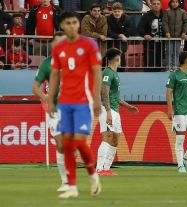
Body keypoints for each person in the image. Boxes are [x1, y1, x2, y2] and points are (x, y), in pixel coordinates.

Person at [47, 11, 102, 199]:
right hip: (64, 102)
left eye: (74, 22)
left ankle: (92, 174)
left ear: (78, 25)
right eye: (67, 23)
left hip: (83, 101)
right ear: (62, 26)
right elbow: (54, 75)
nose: (71, 26)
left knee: (78, 141)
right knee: (67, 144)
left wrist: (96, 99)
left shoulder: (89, 45)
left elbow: (97, 72)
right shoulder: (58, 48)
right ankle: (72, 186)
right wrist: (50, 98)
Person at [31, 31, 68, 192]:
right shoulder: (46, 64)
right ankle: (65, 181)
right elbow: (35, 88)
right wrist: (44, 96)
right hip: (54, 109)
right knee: (60, 144)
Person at [96, 48, 139, 176]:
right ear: (116, 59)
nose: (121, 60)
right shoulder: (107, 73)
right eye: (120, 57)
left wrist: (128, 106)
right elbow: (104, 93)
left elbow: (114, 96)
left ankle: (107, 168)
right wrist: (108, 111)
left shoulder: (115, 74)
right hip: (107, 110)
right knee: (108, 137)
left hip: (115, 110)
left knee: (115, 140)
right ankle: (99, 169)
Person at [163, 0, 187, 71]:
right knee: (169, 52)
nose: (175, 4)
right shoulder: (166, 11)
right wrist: (167, 32)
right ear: (170, 3)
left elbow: (186, 22)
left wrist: (184, 32)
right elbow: (164, 23)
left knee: (176, 52)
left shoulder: (183, 12)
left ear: (179, 3)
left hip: (178, 37)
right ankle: (168, 67)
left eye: (176, 2)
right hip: (169, 37)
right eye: (173, 2)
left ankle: (175, 67)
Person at [138, 0, 165, 70]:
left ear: (161, 5)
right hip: (149, 46)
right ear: (151, 5)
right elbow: (139, 28)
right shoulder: (146, 16)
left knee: (159, 68)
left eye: (158, 4)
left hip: (161, 46)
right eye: (154, 4)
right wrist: (144, 35)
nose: (156, 5)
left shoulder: (165, 15)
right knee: (149, 67)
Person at [106, 2, 132, 68]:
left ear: (122, 11)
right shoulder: (108, 18)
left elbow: (128, 32)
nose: (117, 13)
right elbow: (108, 32)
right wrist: (119, 35)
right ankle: (107, 69)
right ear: (112, 11)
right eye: (115, 11)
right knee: (108, 55)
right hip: (110, 40)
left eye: (119, 11)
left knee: (121, 54)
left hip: (122, 42)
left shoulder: (127, 19)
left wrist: (122, 36)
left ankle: (122, 70)